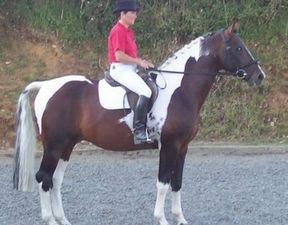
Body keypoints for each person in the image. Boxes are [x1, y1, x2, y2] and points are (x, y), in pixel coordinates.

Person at [108, 0, 154, 144]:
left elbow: (131, 56)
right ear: (123, 14)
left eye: (135, 13)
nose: (135, 16)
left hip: (129, 68)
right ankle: (139, 131)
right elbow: (119, 56)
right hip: (120, 69)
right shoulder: (118, 30)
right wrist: (139, 62)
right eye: (133, 13)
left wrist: (143, 62)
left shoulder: (128, 31)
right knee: (146, 92)